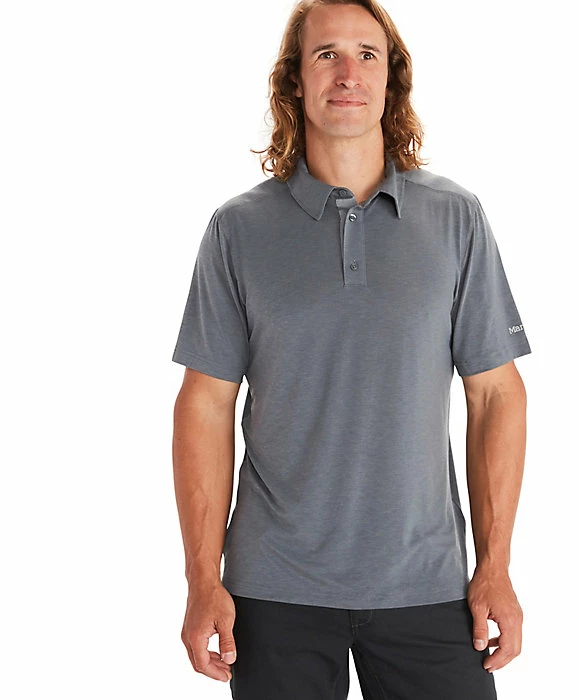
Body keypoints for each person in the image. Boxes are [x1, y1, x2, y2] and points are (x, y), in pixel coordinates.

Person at [171, 1, 531, 697]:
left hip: (428, 585)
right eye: (326, 54)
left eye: (367, 54)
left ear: (392, 79)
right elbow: (205, 406)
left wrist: (495, 567)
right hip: (274, 590)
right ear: (294, 80)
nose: (348, 73)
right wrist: (201, 579)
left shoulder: (455, 218)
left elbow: (496, 394)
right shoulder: (237, 230)